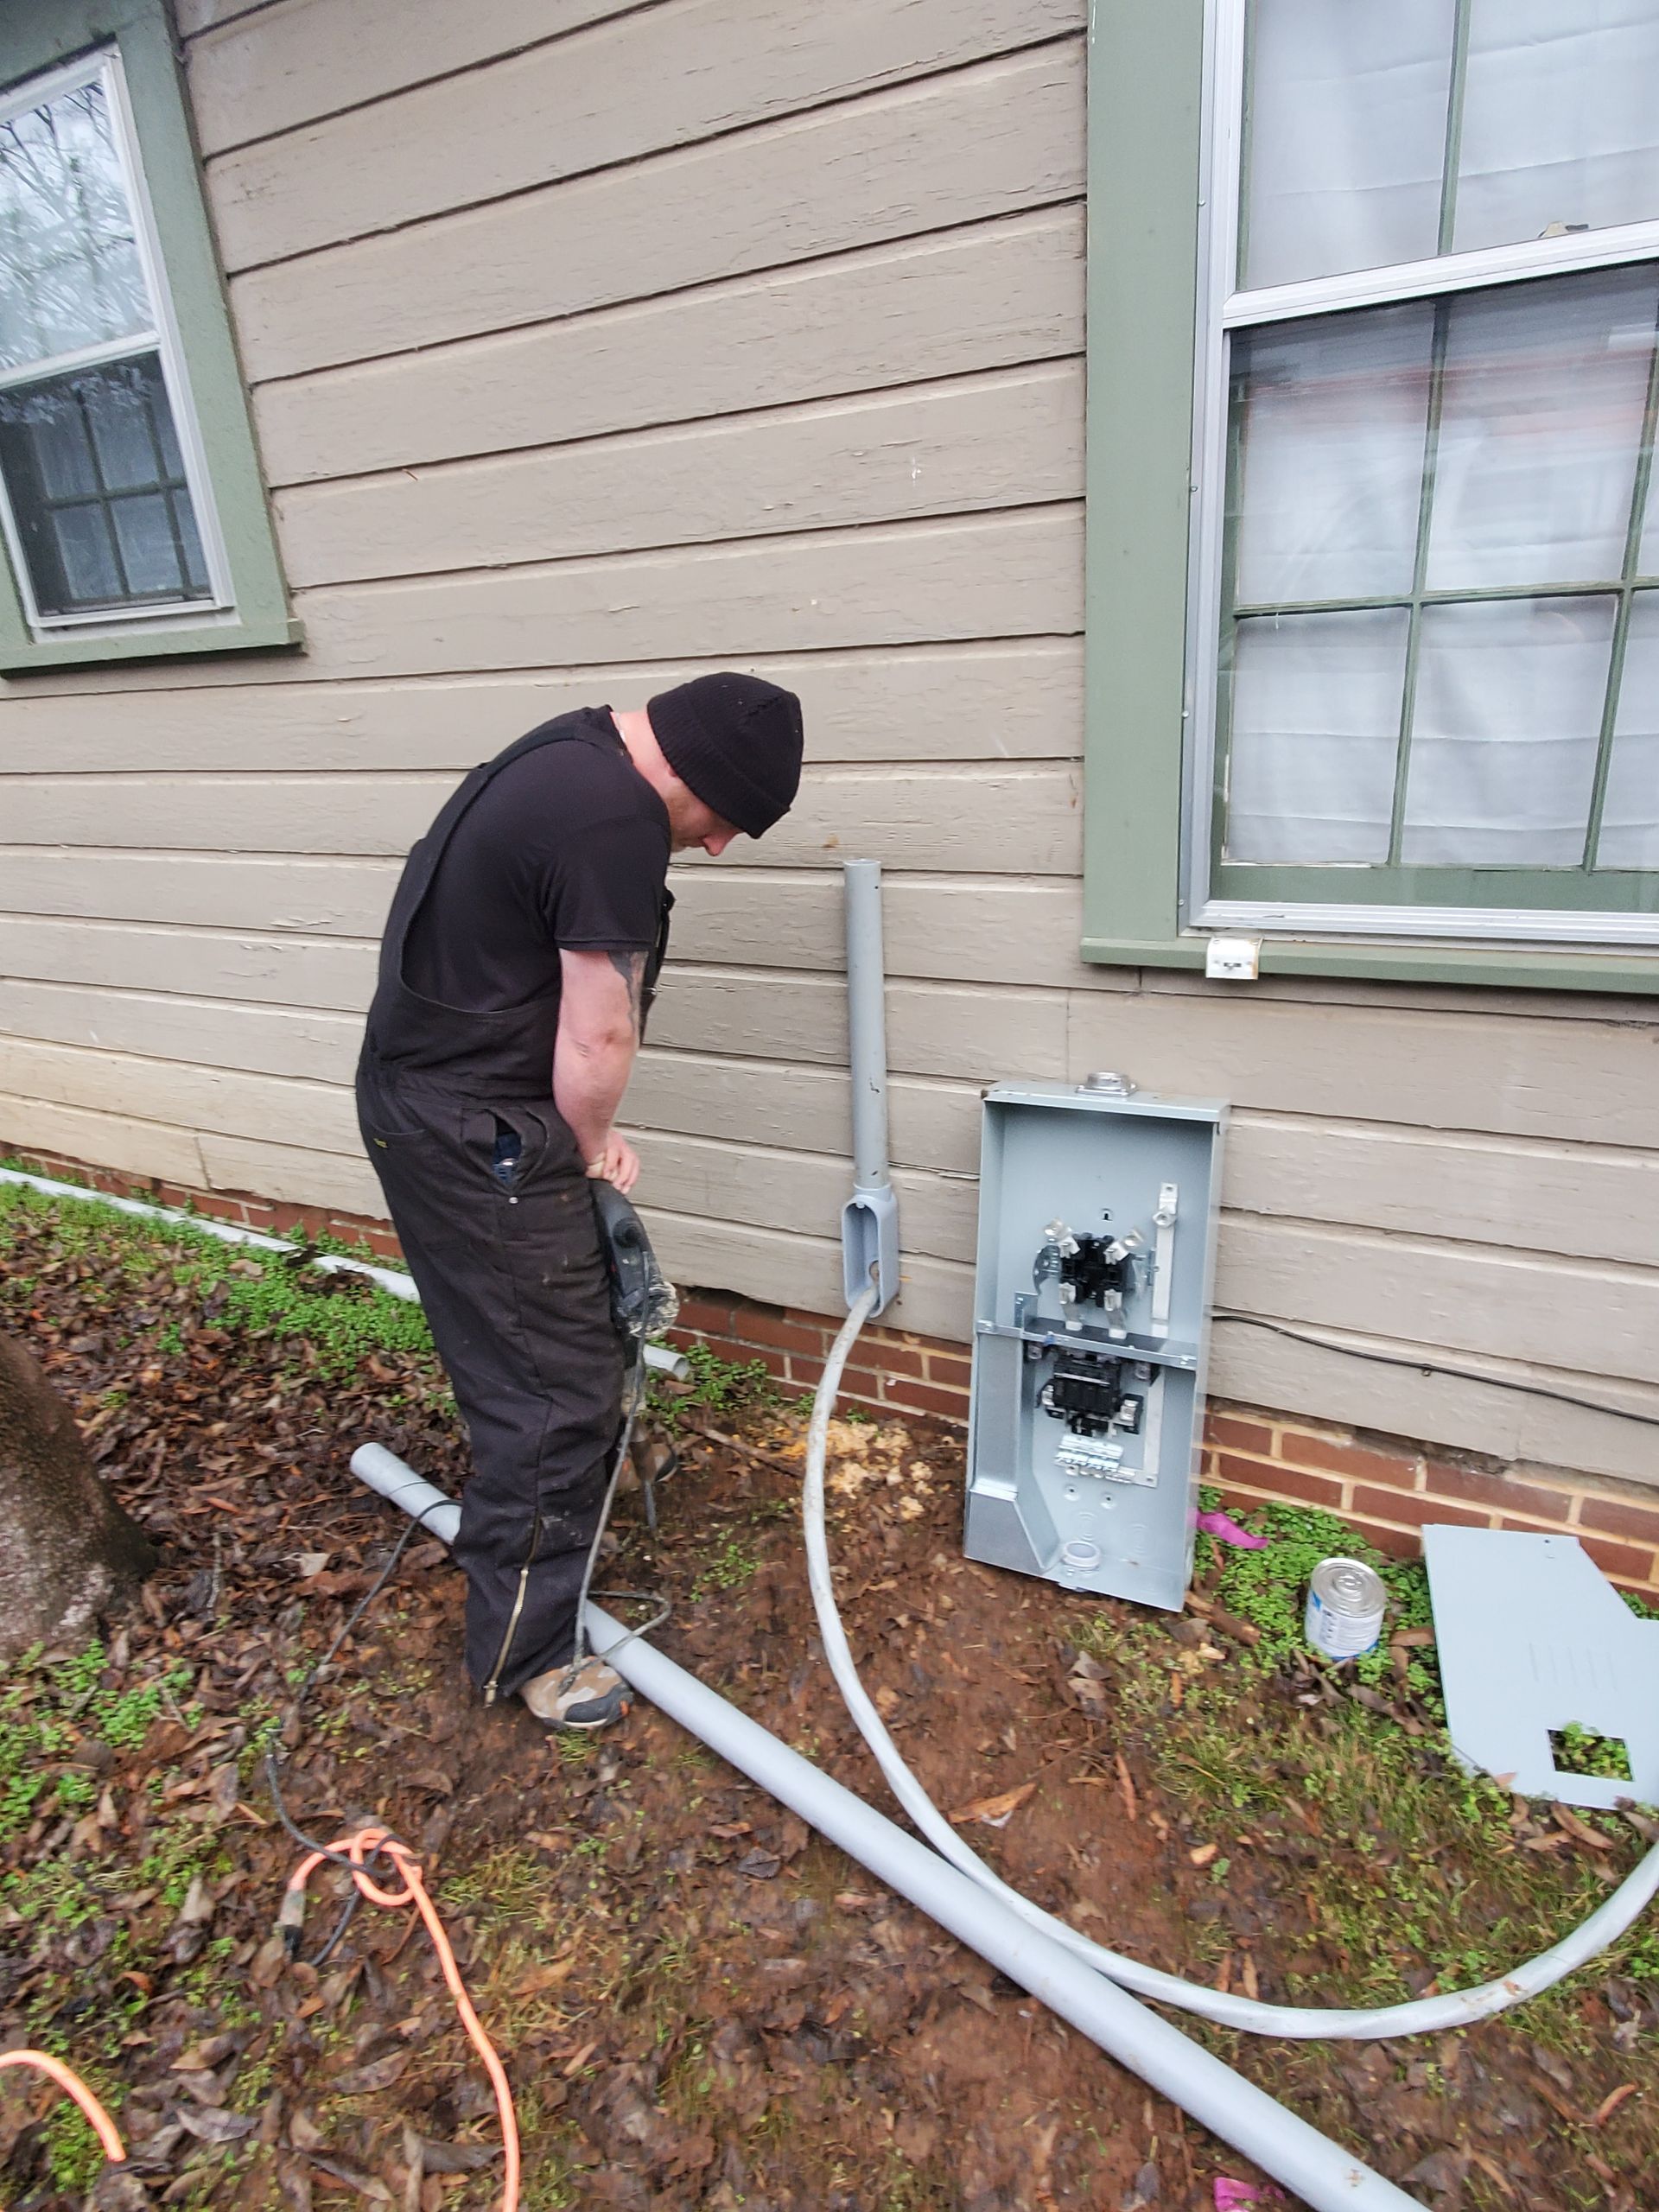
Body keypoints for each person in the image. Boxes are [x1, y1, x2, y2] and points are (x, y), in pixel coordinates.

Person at [355, 673, 804, 1729]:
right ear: (698, 778)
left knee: (554, 1329)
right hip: (477, 1127)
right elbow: (598, 1033)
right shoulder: (611, 817)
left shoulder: (565, 753)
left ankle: (593, 1470)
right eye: (730, 820)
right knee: (547, 1392)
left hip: (438, 1098)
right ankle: (530, 1652)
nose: (719, 847)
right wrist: (592, 1142)